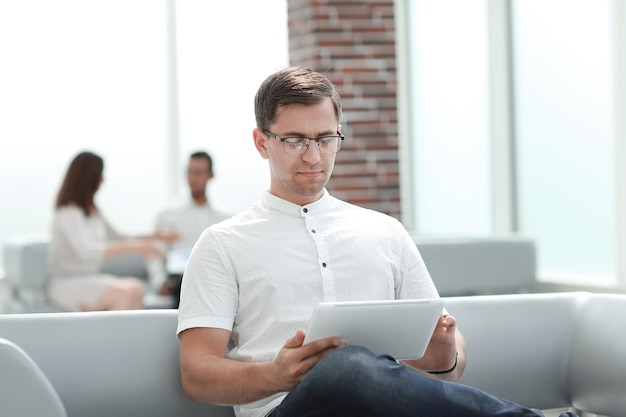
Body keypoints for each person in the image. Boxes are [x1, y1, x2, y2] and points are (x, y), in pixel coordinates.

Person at [176, 67, 578, 417]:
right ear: (262, 142)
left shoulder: (385, 231)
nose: (314, 157)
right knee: (344, 365)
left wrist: (443, 354)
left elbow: (449, 362)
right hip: (284, 409)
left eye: (326, 139)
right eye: (296, 140)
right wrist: (274, 374)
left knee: (354, 367)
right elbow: (196, 374)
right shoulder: (222, 244)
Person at [46, 151, 176, 312]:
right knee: (123, 294)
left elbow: (118, 237)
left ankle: (130, 337)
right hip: (67, 283)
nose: (102, 180)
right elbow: (87, 251)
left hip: (90, 278)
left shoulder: (93, 211)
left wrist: (154, 237)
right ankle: (117, 337)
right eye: (99, 175)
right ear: (88, 178)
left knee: (137, 288)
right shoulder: (67, 213)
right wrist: (136, 247)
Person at [153, 151, 233, 306]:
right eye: (189, 172)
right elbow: (156, 252)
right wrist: (159, 280)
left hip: (213, 274)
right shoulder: (168, 214)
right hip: (180, 277)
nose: (193, 178)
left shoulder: (226, 218)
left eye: (198, 173)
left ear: (211, 175)